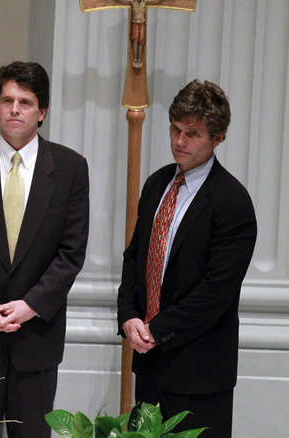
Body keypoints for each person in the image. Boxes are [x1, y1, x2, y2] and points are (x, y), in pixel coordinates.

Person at [0, 61, 89, 437]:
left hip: (36, 337)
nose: (14, 109)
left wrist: (30, 307)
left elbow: (70, 254)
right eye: (7, 100)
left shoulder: (71, 168)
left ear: (42, 112)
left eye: (25, 102)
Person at [117, 79, 257, 437]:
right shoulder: (156, 184)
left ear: (218, 138)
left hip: (199, 373)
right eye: (175, 129)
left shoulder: (232, 202)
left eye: (192, 134)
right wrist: (129, 316)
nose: (179, 141)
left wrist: (156, 330)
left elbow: (215, 292)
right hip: (149, 365)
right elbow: (134, 257)